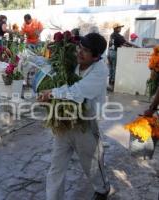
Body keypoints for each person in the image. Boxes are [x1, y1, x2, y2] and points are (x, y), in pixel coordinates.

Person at [38, 33, 111, 200]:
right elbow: (58, 76)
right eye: (80, 47)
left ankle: (102, 189)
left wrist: (51, 94)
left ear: (96, 56)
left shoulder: (100, 71)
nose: (79, 52)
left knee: (91, 163)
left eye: (85, 51)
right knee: (56, 166)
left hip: (85, 122)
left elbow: (77, 91)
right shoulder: (73, 61)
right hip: (63, 121)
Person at [107, 23, 139, 88]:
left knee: (111, 68)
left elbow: (121, 44)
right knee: (114, 68)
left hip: (109, 52)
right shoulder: (118, 35)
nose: (120, 29)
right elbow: (125, 42)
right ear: (116, 28)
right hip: (114, 53)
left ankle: (110, 82)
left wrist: (128, 46)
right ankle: (112, 83)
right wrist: (135, 46)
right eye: (119, 28)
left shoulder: (112, 35)